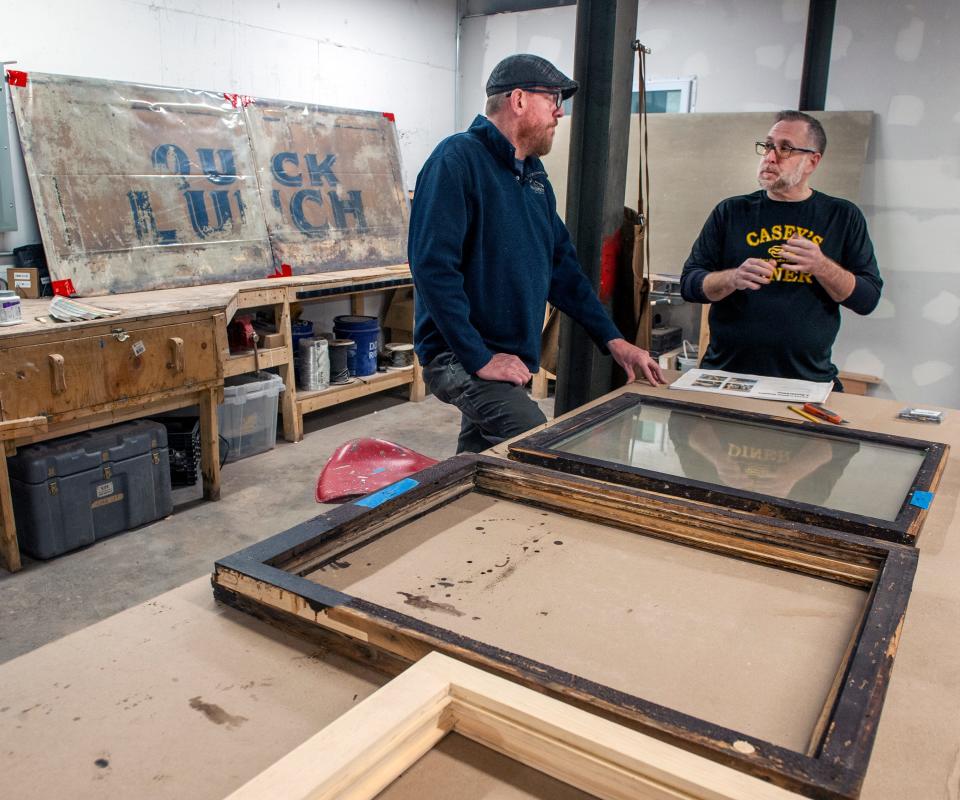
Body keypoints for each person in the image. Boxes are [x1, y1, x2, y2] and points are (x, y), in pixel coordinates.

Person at [408, 54, 664, 453]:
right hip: (459, 355)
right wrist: (479, 358)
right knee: (539, 444)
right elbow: (432, 269)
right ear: (520, 99)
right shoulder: (456, 160)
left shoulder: (533, 177)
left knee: (478, 465)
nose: (560, 112)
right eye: (553, 99)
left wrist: (614, 340)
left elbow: (563, 270)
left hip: (505, 358)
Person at [680, 110, 882, 388]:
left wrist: (820, 265)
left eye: (785, 148)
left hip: (806, 382)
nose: (770, 157)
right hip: (726, 377)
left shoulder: (842, 216)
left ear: (813, 160)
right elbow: (689, 285)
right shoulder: (731, 211)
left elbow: (867, 299)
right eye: (767, 146)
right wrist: (732, 278)